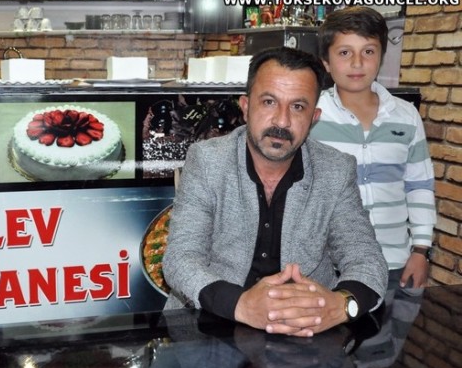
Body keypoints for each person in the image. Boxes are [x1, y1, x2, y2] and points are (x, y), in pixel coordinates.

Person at [162, 46, 388, 338]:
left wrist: (342, 306)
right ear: (245, 107)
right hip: (213, 327)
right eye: (269, 102)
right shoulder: (207, 161)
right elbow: (181, 259)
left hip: (306, 334)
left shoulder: (335, 169)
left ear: (314, 116)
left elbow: (366, 258)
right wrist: (241, 305)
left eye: (298, 107)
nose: (282, 121)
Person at [310, 6, 436, 290]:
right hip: (328, 266)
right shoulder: (312, 116)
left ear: (381, 57)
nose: (357, 63)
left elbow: (419, 185)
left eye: (368, 51)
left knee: (398, 321)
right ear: (326, 62)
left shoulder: (406, 116)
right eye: (345, 52)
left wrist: (420, 250)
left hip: (395, 263)